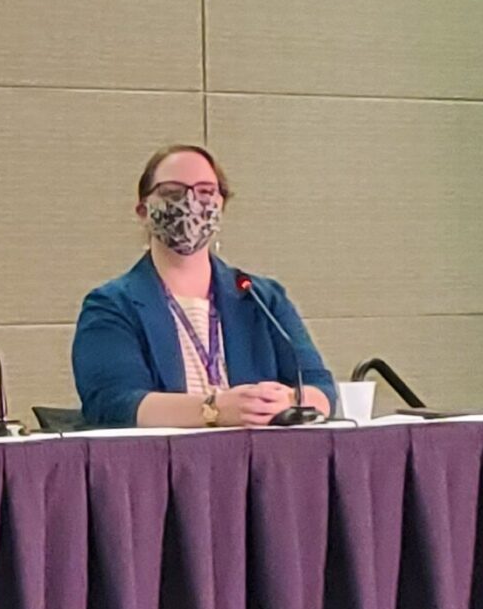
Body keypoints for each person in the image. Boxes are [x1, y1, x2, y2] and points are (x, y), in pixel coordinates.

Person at [72, 144, 334, 428]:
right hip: (165, 466)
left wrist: (291, 401)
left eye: (206, 191)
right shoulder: (110, 305)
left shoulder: (262, 297)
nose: (191, 202)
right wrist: (214, 410)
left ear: (221, 205)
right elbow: (115, 404)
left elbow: (322, 389)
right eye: (172, 192)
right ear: (143, 210)